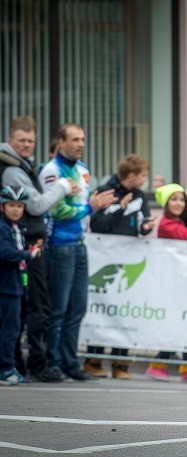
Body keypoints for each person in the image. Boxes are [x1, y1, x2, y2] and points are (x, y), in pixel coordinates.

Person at [0, 116, 77, 383]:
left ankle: (19, 364)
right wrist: (63, 187)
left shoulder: (21, 165)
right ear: (11, 140)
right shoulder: (12, 170)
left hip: (26, 243)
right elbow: (35, 206)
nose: (27, 145)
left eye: (31, 140)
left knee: (25, 308)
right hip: (25, 248)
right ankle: (35, 363)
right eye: (21, 140)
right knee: (37, 308)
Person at [39, 123, 117, 381]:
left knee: (78, 309)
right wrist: (90, 208)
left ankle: (71, 362)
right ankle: (53, 363)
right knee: (58, 309)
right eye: (75, 139)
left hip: (79, 244)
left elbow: (83, 204)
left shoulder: (82, 170)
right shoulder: (51, 171)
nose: (81, 144)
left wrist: (93, 205)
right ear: (61, 142)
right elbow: (55, 210)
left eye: (83, 139)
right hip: (58, 246)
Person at [84, 154, 154, 379]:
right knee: (103, 309)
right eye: (143, 175)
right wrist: (121, 209)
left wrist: (146, 228)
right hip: (104, 258)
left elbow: (143, 221)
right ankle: (93, 359)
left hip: (127, 259)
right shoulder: (107, 191)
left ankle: (120, 363)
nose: (145, 180)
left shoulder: (140, 195)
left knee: (124, 309)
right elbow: (97, 224)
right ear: (132, 176)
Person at [145, 183, 187, 383]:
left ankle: (186, 366)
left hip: (185, 280)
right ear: (166, 203)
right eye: (174, 199)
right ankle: (160, 364)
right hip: (174, 282)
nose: (179, 204)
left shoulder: (179, 221)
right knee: (179, 322)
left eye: (182, 199)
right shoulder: (167, 225)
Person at [0, 186, 41, 385]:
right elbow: (5, 252)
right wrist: (28, 254)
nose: (15, 210)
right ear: (2, 207)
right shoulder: (2, 228)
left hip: (16, 284)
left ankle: (8, 366)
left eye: (19, 206)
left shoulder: (18, 228)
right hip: (6, 286)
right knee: (9, 329)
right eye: (11, 205)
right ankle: (5, 369)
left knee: (13, 328)